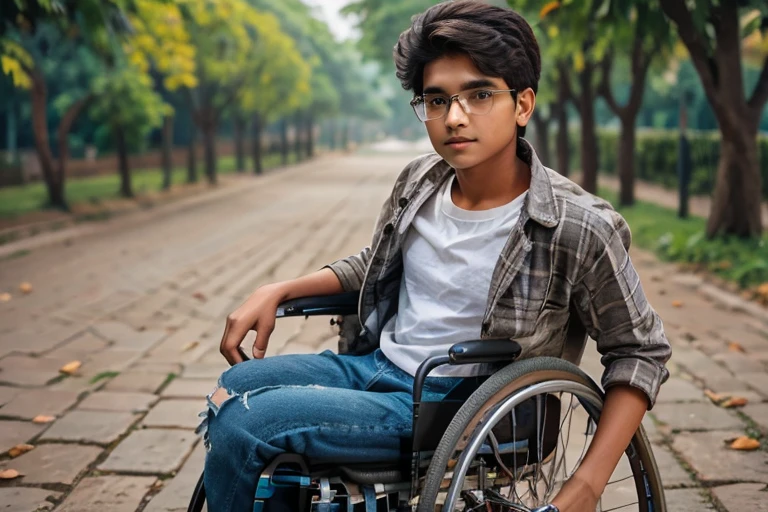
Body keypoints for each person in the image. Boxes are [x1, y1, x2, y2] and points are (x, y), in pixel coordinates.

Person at [199, 2, 671, 511]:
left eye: (480, 94)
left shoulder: (578, 227)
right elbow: (374, 265)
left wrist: (587, 483)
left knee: (250, 423)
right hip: (378, 366)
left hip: (460, 406)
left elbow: (640, 352)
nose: (455, 116)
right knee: (235, 386)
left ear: (523, 105)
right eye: (437, 100)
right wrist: (280, 289)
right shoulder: (420, 183)